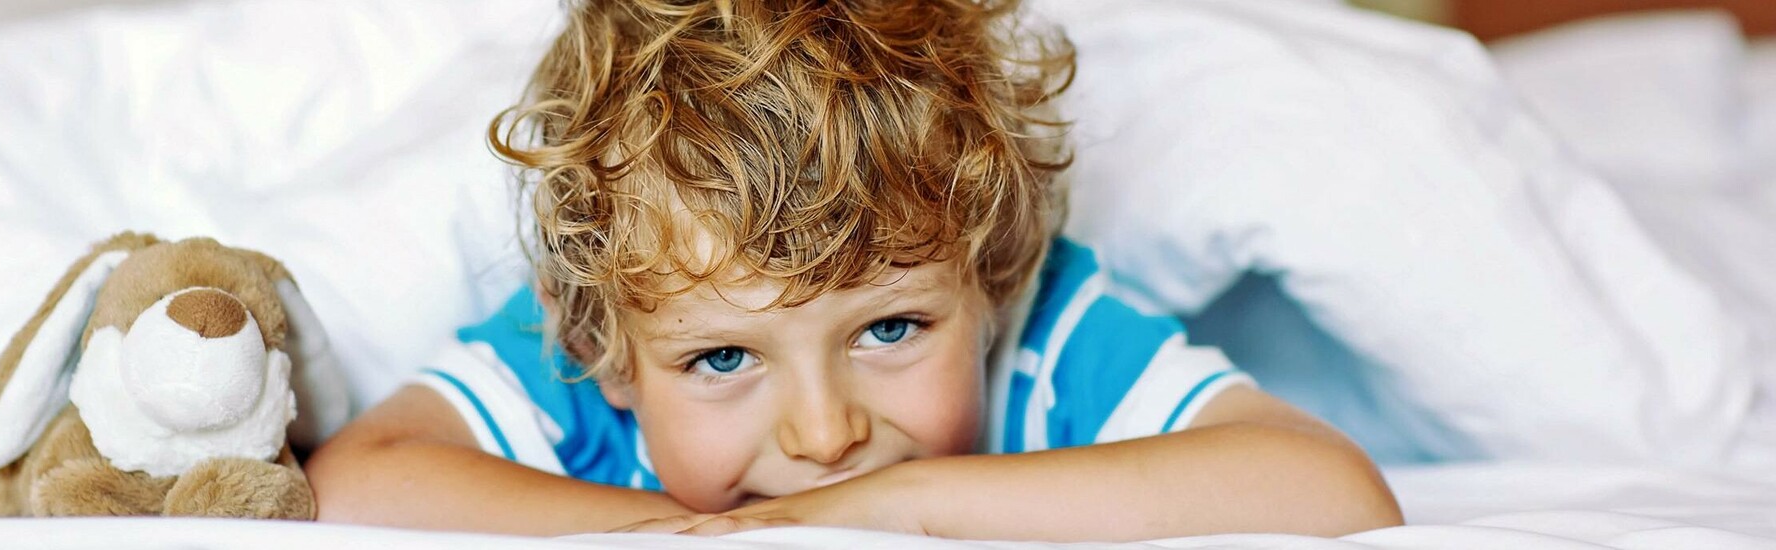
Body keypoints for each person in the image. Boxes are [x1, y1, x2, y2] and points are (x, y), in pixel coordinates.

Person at [305, 0, 1401, 541]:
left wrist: (910, 499)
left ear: (994, 281)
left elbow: (1331, 491)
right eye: (725, 355)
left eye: (890, 330)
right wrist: (699, 536)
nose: (824, 436)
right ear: (603, 350)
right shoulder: (611, 333)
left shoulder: (1049, 336)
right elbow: (357, 477)